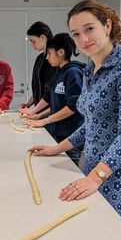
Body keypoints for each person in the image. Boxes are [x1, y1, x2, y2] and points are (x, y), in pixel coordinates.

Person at [29, 0, 121, 237]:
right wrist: (57, 148)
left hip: (117, 174)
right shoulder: (88, 70)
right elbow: (91, 124)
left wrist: (96, 177)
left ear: (107, 26)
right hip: (91, 168)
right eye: (76, 34)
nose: (83, 39)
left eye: (89, 29)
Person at [25, 33, 85, 165]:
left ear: (61, 52)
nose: (46, 58)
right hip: (57, 133)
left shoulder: (73, 73)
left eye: (49, 53)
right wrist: (37, 115)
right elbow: (56, 103)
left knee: (66, 174)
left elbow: (72, 107)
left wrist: (45, 120)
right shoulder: (59, 71)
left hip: (70, 137)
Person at [18, 21, 56, 115]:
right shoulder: (39, 58)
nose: (32, 45)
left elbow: (50, 91)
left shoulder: (55, 60)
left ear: (43, 37)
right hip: (39, 111)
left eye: (33, 41)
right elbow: (38, 87)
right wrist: (28, 104)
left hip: (50, 112)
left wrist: (33, 111)